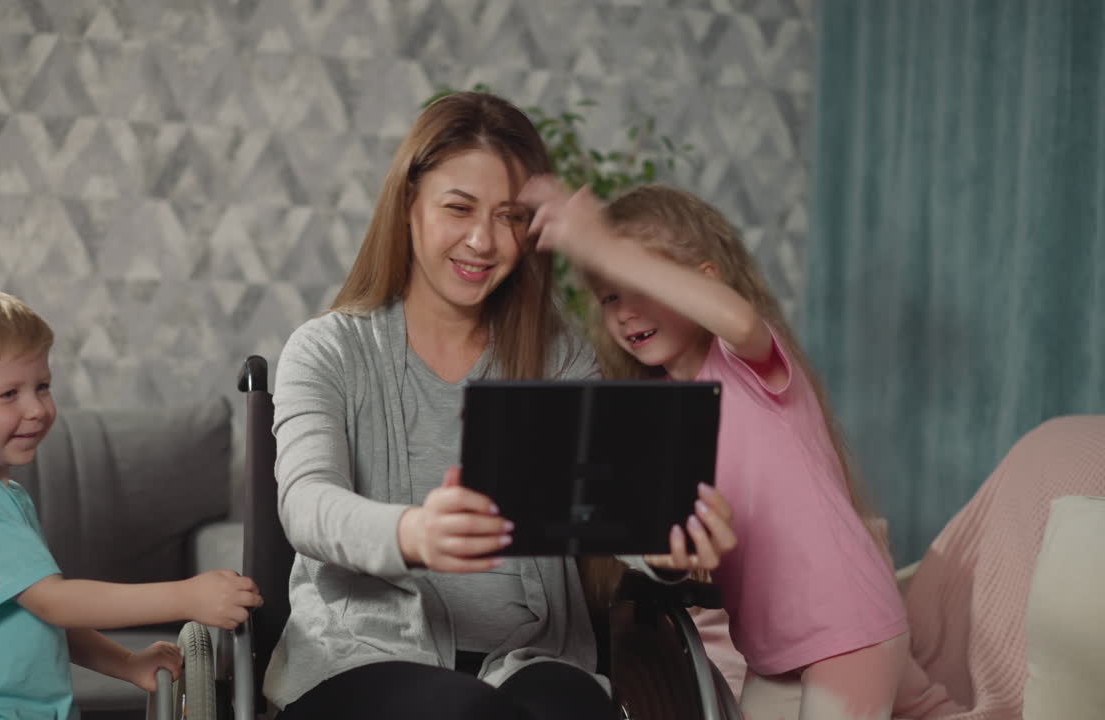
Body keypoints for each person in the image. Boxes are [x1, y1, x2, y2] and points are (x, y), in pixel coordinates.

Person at [264, 92, 737, 720]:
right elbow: (304, 504)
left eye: (510, 217)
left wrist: (663, 546)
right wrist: (413, 531)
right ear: (409, 205)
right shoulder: (328, 349)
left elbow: (610, 504)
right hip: (363, 662)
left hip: (532, 662)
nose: (483, 241)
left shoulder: (559, 356)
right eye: (459, 208)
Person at [519, 180, 910, 720]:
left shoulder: (748, 363)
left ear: (702, 283)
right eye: (610, 297)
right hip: (772, 650)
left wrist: (605, 247)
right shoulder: (659, 414)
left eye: (639, 286)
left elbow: (739, 319)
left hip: (848, 627)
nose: (626, 313)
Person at [0, 288, 262, 720]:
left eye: (42, 386)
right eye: (9, 394)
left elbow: (41, 617)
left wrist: (126, 663)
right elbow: (56, 602)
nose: (37, 408)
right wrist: (185, 596)